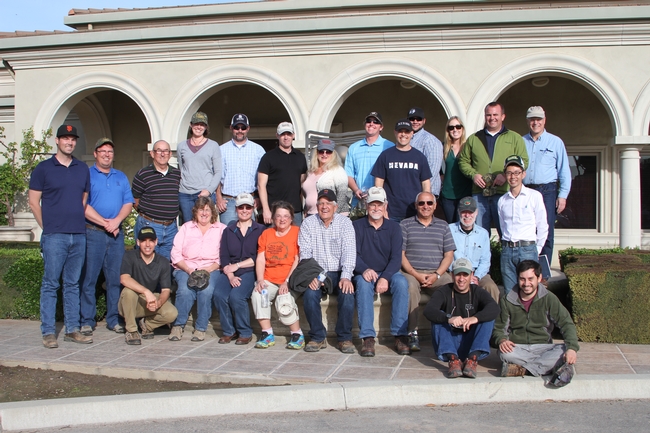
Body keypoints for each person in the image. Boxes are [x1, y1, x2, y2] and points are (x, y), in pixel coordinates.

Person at [29, 124, 92, 348]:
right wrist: (48, 226)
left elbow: (83, 198)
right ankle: (48, 332)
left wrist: (72, 217)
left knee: (73, 284)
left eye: (73, 139)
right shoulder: (43, 168)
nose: (69, 142)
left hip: (78, 234)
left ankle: (72, 329)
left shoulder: (82, 168)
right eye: (65, 138)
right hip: (55, 235)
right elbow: (33, 202)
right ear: (57, 141)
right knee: (50, 284)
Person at [492, 260, 579, 387]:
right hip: (518, 347)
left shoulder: (549, 298)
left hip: (543, 347)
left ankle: (523, 369)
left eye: (530, 279)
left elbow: (566, 323)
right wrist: (502, 340)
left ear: (539, 278)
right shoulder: (507, 300)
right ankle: (548, 367)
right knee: (504, 353)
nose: (526, 284)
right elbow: (498, 329)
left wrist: (571, 348)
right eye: (522, 279)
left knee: (565, 350)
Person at [80, 137, 134, 336]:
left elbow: (128, 203)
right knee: (89, 279)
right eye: (102, 151)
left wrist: (117, 221)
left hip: (115, 236)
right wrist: (106, 223)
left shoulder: (120, 177)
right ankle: (87, 320)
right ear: (95, 153)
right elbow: (83, 205)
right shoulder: (86, 175)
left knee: (114, 280)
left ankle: (114, 319)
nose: (106, 154)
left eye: (110, 151)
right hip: (93, 233)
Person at [352, 187, 410, 357]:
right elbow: (352, 254)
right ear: (366, 205)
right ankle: (368, 337)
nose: (376, 208)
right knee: (362, 285)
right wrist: (364, 269)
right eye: (372, 205)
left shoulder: (394, 228)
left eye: (379, 204)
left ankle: (400, 334)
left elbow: (396, 258)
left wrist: (385, 277)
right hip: (365, 272)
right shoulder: (356, 226)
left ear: (385, 205)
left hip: (388, 272)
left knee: (401, 282)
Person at [298, 189, 356, 353]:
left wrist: (346, 277)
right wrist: (312, 275)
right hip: (317, 270)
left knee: (347, 293)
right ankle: (317, 337)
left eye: (328, 203)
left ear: (335, 207)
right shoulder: (308, 223)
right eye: (321, 203)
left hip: (339, 271)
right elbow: (305, 254)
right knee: (309, 294)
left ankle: (344, 338)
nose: (324, 207)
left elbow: (349, 252)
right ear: (316, 206)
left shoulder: (345, 223)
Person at [458, 102, 528, 235]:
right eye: (488, 115)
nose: (492, 118)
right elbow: (463, 161)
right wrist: (473, 175)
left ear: (503, 116)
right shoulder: (474, 139)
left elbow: (523, 161)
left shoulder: (515, 138)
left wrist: (506, 175)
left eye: (495, 114)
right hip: (480, 194)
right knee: (479, 234)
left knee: (507, 233)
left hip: (505, 194)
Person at [424, 258, 500, 379]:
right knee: (438, 318)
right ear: (452, 275)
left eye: (465, 274)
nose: (461, 279)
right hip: (451, 342)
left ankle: (473, 360)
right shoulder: (444, 291)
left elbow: (494, 308)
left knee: (487, 317)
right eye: (458, 274)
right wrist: (449, 318)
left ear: (472, 275)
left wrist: (475, 318)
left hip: (471, 343)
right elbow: (429, 310)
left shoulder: (478, 292)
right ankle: (453, 360)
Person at [400, 192, 455, 352]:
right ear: (416, 205)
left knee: (453, 287)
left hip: (436, 273)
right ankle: (412, 332)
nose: (426, 206)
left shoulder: (443, 225)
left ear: (435, 205)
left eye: (429, 203)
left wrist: (436, 275)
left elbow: (449, 255)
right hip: (411, 272)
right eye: (422, 203)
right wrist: (416, 275)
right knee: (409, 288)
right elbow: (401, 255)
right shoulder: (405, 224)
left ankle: (450, 330)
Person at [169, 197, 226, 342]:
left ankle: (200, 328)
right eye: (201, 209)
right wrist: (188, 270)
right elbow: (175, 253)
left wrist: (208, 269)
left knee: (206, 290)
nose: (204, 213)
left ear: (212, 212)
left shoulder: (221, 229)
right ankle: (178, 325)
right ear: (196, 211)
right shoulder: (186, 227)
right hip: (186, 267)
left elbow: (224, 255)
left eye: (207, 209)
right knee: (184, 290)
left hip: (211, 268)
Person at [250, 201, 305, 350]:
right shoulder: (266, 234)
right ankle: (267, 334)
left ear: (292, 218)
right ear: (273, 218)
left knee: (283, 299)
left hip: (290, 279)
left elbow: (297, 259)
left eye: (286, 216)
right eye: (279, 216)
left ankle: (297, 334)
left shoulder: (297, 232)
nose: (282, 219)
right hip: (270, 278)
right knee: (259, 295)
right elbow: (260, 258)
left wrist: (286, 282)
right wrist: (260, 280)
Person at [212, 193, 264, 345]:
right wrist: (230, 275)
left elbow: (259, 257)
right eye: (241, 207)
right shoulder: (229, 230)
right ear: (236, 209)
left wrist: (238, 266)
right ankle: (229, 331)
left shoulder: (260, 229)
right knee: (219, 294)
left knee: (237, 296)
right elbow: (224, 256)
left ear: (253, 208)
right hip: (230, 271)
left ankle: (245, 332)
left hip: (250, 270)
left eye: (248, 207)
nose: (245, 210)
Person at [523, 106, 572, 264]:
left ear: (544, 121)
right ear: (528, 121)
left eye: (538, 119)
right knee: (527, 230)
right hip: (527, 190)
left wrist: (562, 195)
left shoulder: (555, 142)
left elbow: (564, 170)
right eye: (532, 119)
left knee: (546, 231)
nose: (535, 122)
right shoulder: (521, 141)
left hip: (548, 191)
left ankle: (543, 273)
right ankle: (528, 270)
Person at [118, 227, 178, 345]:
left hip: (148, 302)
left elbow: (165, 290)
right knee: (128, 291)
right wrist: (146, 291)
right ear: (138, 242)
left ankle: (147, 324)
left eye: (150, 240)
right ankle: (131, 330)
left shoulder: (163, 261)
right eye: (143, 240)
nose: (147, 244)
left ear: (156, 242)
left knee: (172, 313)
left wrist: (158, 303)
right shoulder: (129, 256)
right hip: (129, 303)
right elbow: (124, 279)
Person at [498, 155, 548, 294]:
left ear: (523, 174)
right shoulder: (502, 200)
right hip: (507, 251)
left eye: (516, 172)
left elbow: (543, 225)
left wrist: (536, 249)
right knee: (510, 293)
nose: (513, 176)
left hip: (527, 250)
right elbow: (503, 226)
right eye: (509, 173)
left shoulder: (534, 196)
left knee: (529, 292)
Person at [372, 119, 432, 222]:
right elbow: (378, 185)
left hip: (414, 213)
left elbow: (426, 184)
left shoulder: (420, 157)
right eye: (400, 131)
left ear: (412, 133)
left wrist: (423, 207)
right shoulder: (385, 156)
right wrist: (383, 208)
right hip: (391, 213)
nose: (403, 134)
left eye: (407, 131)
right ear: (395, 132)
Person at [132, 139, 182, 260]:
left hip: (171, 228)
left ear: (170, 154)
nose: (162, 154)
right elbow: (135, 200)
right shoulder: (143, 174)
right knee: (145, 264)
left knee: (167, 264)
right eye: (159, 151)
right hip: (149, 225)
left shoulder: (177, 174)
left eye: (166, 151)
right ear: (152, 154)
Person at [216, 113, 266, 226]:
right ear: (231, 128)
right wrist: (218, 198)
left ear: (248, 128)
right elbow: (216, 176)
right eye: (236, 127)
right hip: (228, 202)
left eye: (243, 127)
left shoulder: (258, 150)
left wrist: (259, 198)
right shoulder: (221, 150)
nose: (240, 130)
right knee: (229, 237)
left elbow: (263, 178)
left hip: (250, 201)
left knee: (250, 238)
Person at [448, 196, 500, 302]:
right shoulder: (449, 230)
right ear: (459, 212)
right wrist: (458, 274)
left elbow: (485, 260)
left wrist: (476, 277)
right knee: (445, 287)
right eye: (464, 212)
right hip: (454, 272)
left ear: (476, 213)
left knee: (492, 288)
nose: (467, 215)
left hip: (476, 272)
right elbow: (446, 257)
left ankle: (490, 318)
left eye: (470, 212)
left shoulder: (483, 234)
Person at [176, 111, 222, 224]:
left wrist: (209, 190)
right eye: (196, 124)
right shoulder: (181, 146)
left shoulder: (213, 145)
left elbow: (218, 172)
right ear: (191, 125)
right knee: (189, 226)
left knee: (206, 224)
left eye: (202, 125)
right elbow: (182, 168)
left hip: (205, 193)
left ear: (206, 127)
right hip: (185, 193)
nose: (199, 127)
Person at [258, 122, 308, 225]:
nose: (286, 137)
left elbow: (303, 185)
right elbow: (261, 185)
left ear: (293, 135)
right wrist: (266, 209)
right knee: (273, 241)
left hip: (295, 212)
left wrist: (304, 208)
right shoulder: (268, 157)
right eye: (283, 134)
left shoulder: (300, 157)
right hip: (274, 211)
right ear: (277, 136)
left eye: (288, 134)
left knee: (295, 241)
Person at [344, 112, 394, 208]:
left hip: (380, 202)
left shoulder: (389, 146)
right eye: (369, 121)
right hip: (359, 201)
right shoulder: (354, 148)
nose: (371, 124)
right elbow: (348, 174)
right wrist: (356, 190)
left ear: (381, 127)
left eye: (376, 122)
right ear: (364, 124)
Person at [302, 138, 350, 216]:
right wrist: (306, 208)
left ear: (333, 153)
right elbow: (309, 193)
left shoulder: (338, 170)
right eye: (321, 151)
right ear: (317, 153)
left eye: (328, 152)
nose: (324, 154)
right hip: (312, 215)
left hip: (330, 216)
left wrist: (332, 216)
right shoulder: (311, 171)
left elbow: (342, 196)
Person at [440, 116, 473, 223]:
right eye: (451, 127)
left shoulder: (468, 146)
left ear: (462, 129)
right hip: (448, 194)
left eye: (458, 127)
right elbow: (436, 166)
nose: (455, 130)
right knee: (451, 226)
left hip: (465, 193)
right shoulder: (443, 147)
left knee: (463, 224)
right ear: (448, 130)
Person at [407, 107, 444, 198]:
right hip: (409, 192)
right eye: (412, 119)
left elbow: (433, 170)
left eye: (418, 119)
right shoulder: (405, 139)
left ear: (424, 121)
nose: (415, 121)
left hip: (426, 193)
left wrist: (421, 191)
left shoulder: (431, 141)